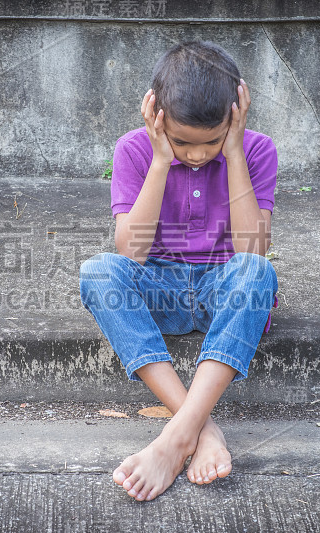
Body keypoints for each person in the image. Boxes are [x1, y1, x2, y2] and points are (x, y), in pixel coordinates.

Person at [79, 40, 279, 502]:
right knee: (99, 272)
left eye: (210, 140)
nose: (196, 154)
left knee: (256, 273)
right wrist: (160, 159)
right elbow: (131, 251)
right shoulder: (134, 150)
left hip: (222, 290)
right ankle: (200, 428)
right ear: (158, 117)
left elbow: (253, 247)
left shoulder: (257, 150)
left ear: (233, 117)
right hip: (160, 287)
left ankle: (174, 439)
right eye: (183, 141)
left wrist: (231, 153)